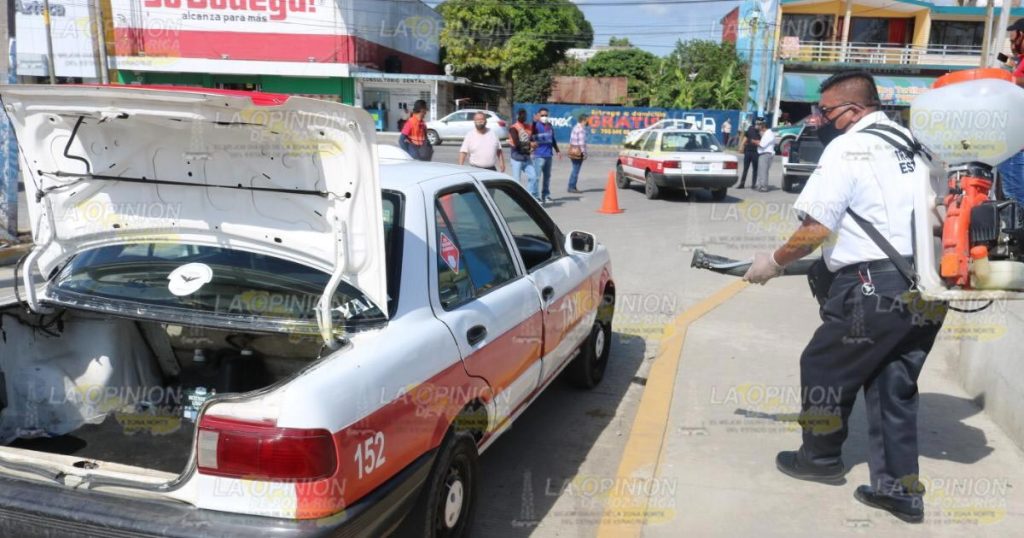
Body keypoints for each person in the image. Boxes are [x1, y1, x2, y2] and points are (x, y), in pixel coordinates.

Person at [742, 70, 946, 524]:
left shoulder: (848, 148)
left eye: (826, 111)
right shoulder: (913, 144)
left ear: (853, 110)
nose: (819, 119)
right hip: (928, 285)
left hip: (875, 288)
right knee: (892, 386)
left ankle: (819, 459)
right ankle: (899, 491)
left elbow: (816, 227)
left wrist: (773, 261)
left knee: (823, 366)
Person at [996, 19, 1024, 203]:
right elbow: (1013, 64)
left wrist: (1007, 80)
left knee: (1015, 198)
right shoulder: (1020, 60)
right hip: (1014, 142)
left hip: (1018, 145)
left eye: (1013, 36)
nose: (1011, 41)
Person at [531, 108, 561, 204]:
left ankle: (546, 195)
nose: (544, 117)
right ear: (538, 115)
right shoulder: (536, 125)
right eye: (542, 115)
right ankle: (535, 196)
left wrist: (557, 150)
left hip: (548, 155)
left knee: (547, 177)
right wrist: (534, 122)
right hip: (539, 155)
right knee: (536, 177)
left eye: (546, 115)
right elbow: (531, 133)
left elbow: (552, 139)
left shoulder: (549, 126)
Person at [508, 109, 537, 189]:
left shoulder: (528, 127)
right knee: (516, 182)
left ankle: (529, 194)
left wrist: (534, 144)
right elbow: (516, 143)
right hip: (516, 157)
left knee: (533, 177)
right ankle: (515, 196)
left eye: (524, 115)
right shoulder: (513, 128)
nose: (523, 116)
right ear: (517, 116)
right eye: (521, 115)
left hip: (526, 157)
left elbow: (532, 136)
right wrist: (530, 144)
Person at [567, 114, 588, 193]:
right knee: (576, 170)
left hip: (573, 151)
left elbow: (571, 140)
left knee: (574, 169)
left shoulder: (575, 127)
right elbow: (581, 143)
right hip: (578, 152)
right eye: (587, 120)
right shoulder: (581, 129)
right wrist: (584, 153)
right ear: (583, 120)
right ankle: (571, 187)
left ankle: (572, 186)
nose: (587, 122)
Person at [738, 118, 760, 189]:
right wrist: (741, 146)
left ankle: (753, 184)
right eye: (757, 124)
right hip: (748, 151)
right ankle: (742, 184)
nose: (758, 125)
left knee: (755, 169)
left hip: (756, 152)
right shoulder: (750, 129)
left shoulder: (761, 132)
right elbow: (746, 137)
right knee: (745, 168)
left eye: (759, 124)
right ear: (754, 124)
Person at [755, 121, 776, 192]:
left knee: (763, 171)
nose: (759, 128)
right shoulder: (767, 133)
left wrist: (754, 141)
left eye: (760, 126)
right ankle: (760, 186)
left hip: (766, 154)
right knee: (761, 171)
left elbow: (762, 145)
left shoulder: (768, 134)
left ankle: (763, 187)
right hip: (764, 154)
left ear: (763, 127)